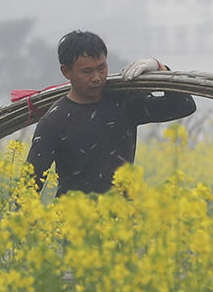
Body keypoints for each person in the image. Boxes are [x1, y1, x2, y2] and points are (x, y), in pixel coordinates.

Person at [25, 30, 195, 196]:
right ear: (66, 72)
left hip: (122, 218)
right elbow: (29, 187)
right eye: (87, 71)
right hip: (73, 220)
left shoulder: (124, 103)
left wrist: (160, 68)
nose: (97, 77)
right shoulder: (54, 121)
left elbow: (183, 106)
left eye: (102, 68)